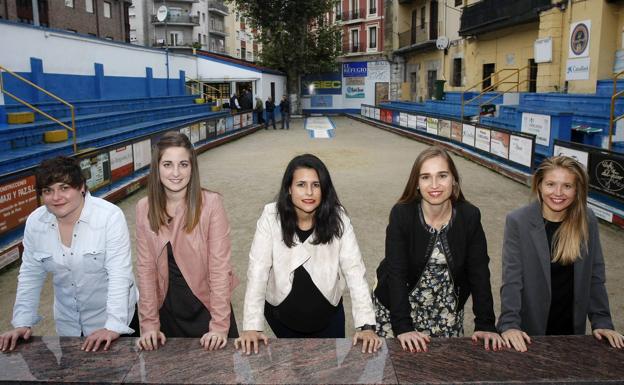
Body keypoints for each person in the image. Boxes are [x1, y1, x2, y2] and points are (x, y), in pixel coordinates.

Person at [235, 154, 382, 354]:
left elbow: (355, 271)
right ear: (288, 188)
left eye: (316, 185)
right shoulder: (270, 217)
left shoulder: (339, 218)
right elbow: (257, 270)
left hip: (329, 317)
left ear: (324, 189)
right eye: (301, 184)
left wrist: (366, 326)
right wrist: (251, 326)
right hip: (281, 318)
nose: (309, 192)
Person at [0, 156, 138, 353]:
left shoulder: (109, 217)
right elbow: (30, 275)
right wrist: (22, 323)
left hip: (114, 322)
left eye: (64, 188)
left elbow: (119, 275)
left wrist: (113, 326)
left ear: (81, 187)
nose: (56, 197)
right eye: (48, 191)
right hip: (69, 326)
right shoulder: (35, 222)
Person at [373, 146, 503, 353]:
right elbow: (396, 273)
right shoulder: (401, 214)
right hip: (398, 310)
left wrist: (485, 323)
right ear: (416, 183)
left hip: (446, 314)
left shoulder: (469, 216)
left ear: (454, 179)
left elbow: (479, 272)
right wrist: (403, 327)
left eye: (442, 175)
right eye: (425, 177)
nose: (434, 185)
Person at [498, 156, 624, 352]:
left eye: (567, 186)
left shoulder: (587, 220)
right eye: (550, 184)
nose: (558, 193)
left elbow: (595, 276)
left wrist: (603, 322)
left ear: (577, 190)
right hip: (529, 335)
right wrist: (509, 324)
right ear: (539, 185)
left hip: (571, 333)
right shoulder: (518, 221)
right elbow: (512, 279)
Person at [135, 132, 238, 351]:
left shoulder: (211, 204)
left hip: (208, 309)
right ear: (157, 168)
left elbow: (219, 269)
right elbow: (145, 271)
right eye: (167, 164)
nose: (175, 173)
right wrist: (149, 324)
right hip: (167, 313)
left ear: (192, 168)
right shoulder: (143, 208)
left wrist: (219, 326)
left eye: (183, 164)